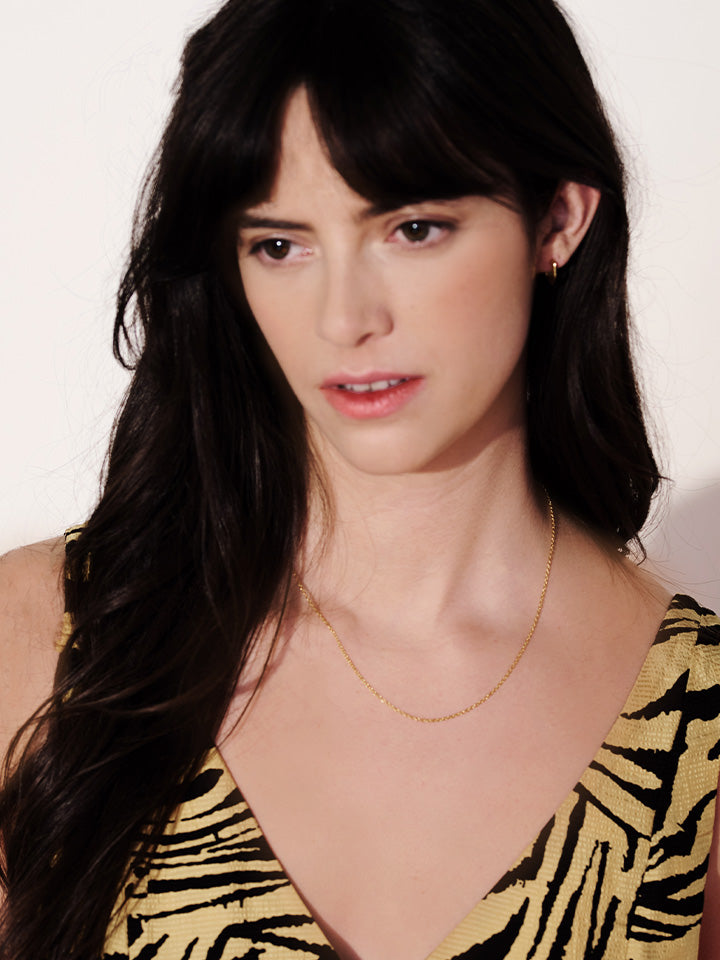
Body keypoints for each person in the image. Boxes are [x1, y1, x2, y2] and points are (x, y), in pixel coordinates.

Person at [1, 0, 719, 957]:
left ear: (557, 220)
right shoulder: (46, 640)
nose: (343, 318)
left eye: (413, 229)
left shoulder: (697, 732)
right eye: (280, 245)